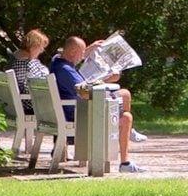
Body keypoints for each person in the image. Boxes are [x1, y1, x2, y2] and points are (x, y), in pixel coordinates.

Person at [52, 35, 143, 172]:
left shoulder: (58, 63)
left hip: (74, 109)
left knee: (124, 99)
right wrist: (105, 83)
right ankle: (125, 162)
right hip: (80, 114)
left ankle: (126, 157)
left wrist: (101, 78)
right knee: (126, 116)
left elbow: (80, 86)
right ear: (71, 52)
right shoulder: (65, 70)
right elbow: (85, 92)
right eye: (82, 53)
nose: (83, 56)